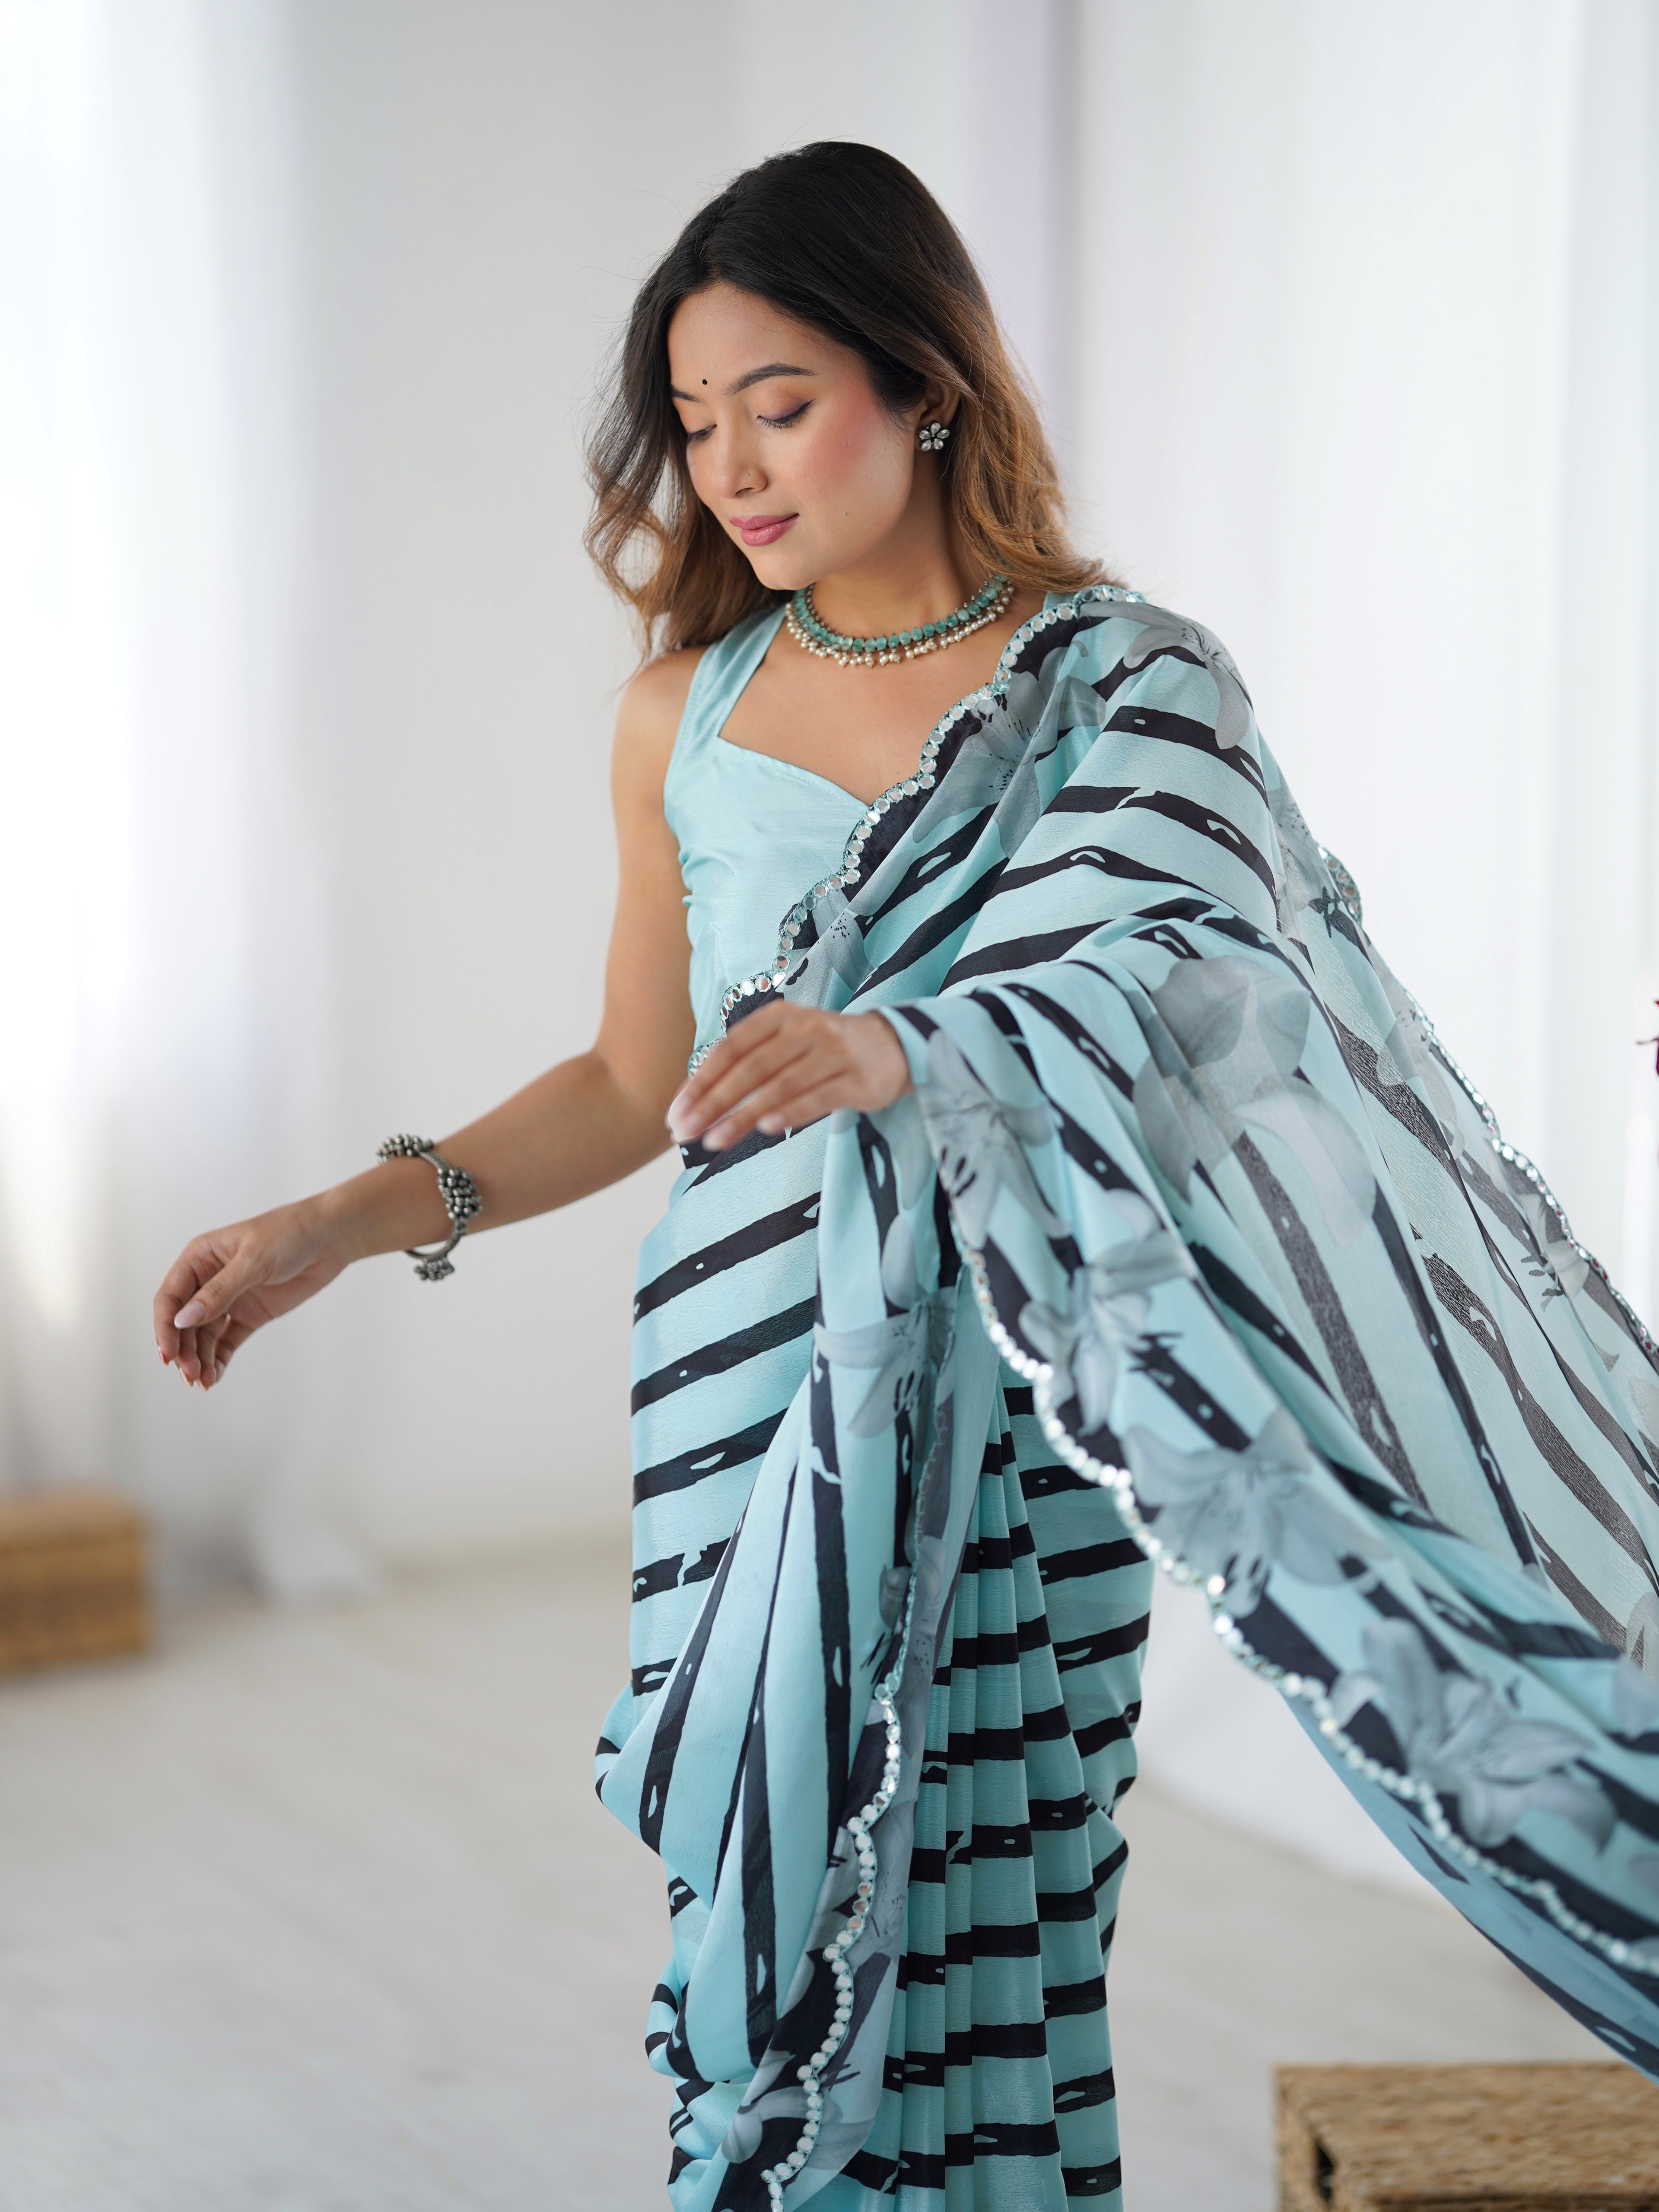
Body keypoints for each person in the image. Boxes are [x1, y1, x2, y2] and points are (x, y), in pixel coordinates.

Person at [156, 143, 1659, 2209]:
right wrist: (342, 1215)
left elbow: (1232, 1011)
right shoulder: (684, 710)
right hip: (752, 1389)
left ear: (925, 380)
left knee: (1002, 1919)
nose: (735, 473)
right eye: (695, 428)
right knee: (763, 1936)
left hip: (1030, 1408)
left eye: (779, 406)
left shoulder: (1134, 686)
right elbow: (632, 1076)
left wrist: (913, 1043)